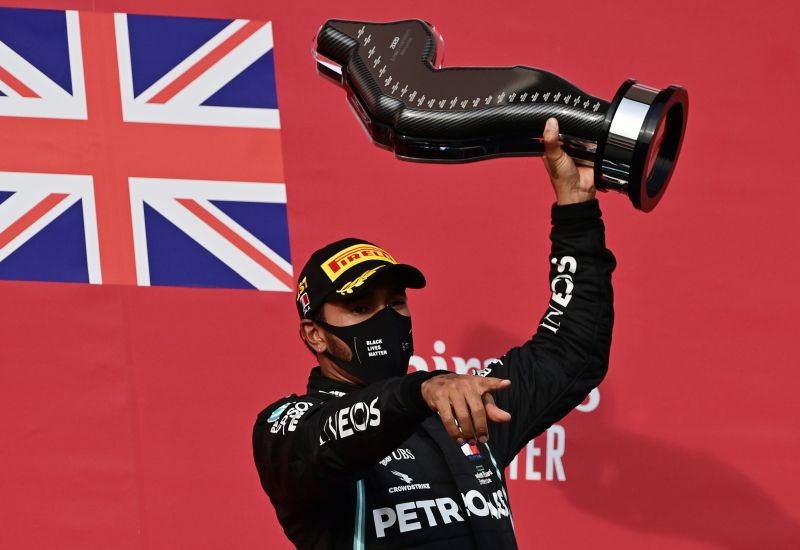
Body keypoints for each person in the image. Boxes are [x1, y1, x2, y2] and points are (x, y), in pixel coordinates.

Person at [252, 118, 616, 549]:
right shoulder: (290, 429)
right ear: (314, 335)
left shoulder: (464, 406)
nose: (384, 319)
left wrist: (576, 211)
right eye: (361, 307)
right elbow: (326, 438)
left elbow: (572, 350)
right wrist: (422, 390)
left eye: (395, 302)